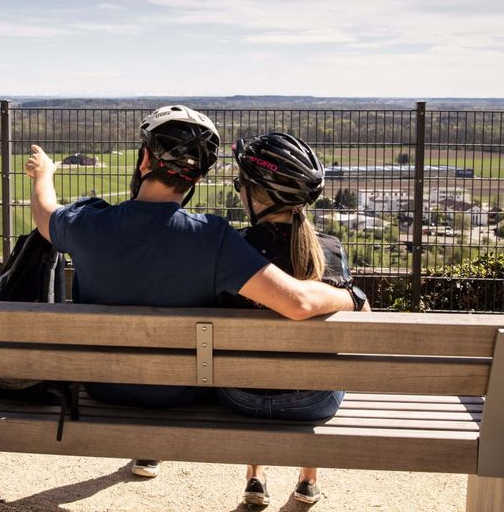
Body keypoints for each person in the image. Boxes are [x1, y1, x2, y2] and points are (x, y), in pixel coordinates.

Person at [24, 106, 368, 479]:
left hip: (103, 387)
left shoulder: (87, 224)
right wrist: (353, 297)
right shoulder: (212, 238)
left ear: (144, 160)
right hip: (181, 392)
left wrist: (44, 174)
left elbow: (44, 213)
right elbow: (298, 302)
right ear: (197, 178)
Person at [220, 132, 366, 507]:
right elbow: (364, 329)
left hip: (239, 396)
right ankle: (308, 479)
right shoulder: (331, 251)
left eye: (241, 184)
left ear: (257, 195)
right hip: (312, 403)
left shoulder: (228, 251)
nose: (238, 191)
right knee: (322, 362)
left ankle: (255, 475)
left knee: (249, 364)